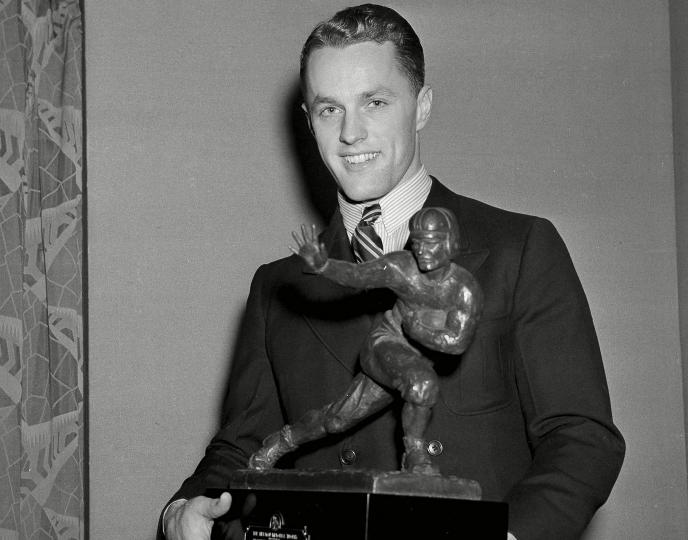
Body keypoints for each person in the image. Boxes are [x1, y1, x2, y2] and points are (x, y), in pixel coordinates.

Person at [162, 5, 624, 540]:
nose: (351, 133)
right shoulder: (277, 287)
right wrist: (185, 508)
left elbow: (581, 437)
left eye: (375, 102)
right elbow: (237, 449)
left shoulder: (519, 249)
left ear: (422, 106)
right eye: (328, 109)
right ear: (309, 121)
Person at [248, 207, 484, 476]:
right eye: (417, 242)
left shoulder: (465, 290)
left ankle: (281, 441)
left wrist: (418, 331)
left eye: (431, 242)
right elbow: (360, 275)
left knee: (338, 420)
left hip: (411, 362)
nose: (422, 250)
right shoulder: (402, 267)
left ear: (450, 242)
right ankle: (415, 454)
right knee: (423, 384)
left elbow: (457, 342)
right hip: (385, 344)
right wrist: (325, 266)